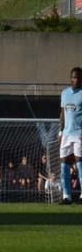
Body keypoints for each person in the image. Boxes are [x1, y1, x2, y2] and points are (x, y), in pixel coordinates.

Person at [58, 67, 82, 204]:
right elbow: (62, 114)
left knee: (80, 165)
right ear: (70, 78)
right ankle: (66, 196)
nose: (76, 80)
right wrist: (60, 131)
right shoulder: (64, 93)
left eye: (78, 77)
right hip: (66, 134)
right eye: (73, 77)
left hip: (79, 134)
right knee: (64, 166)